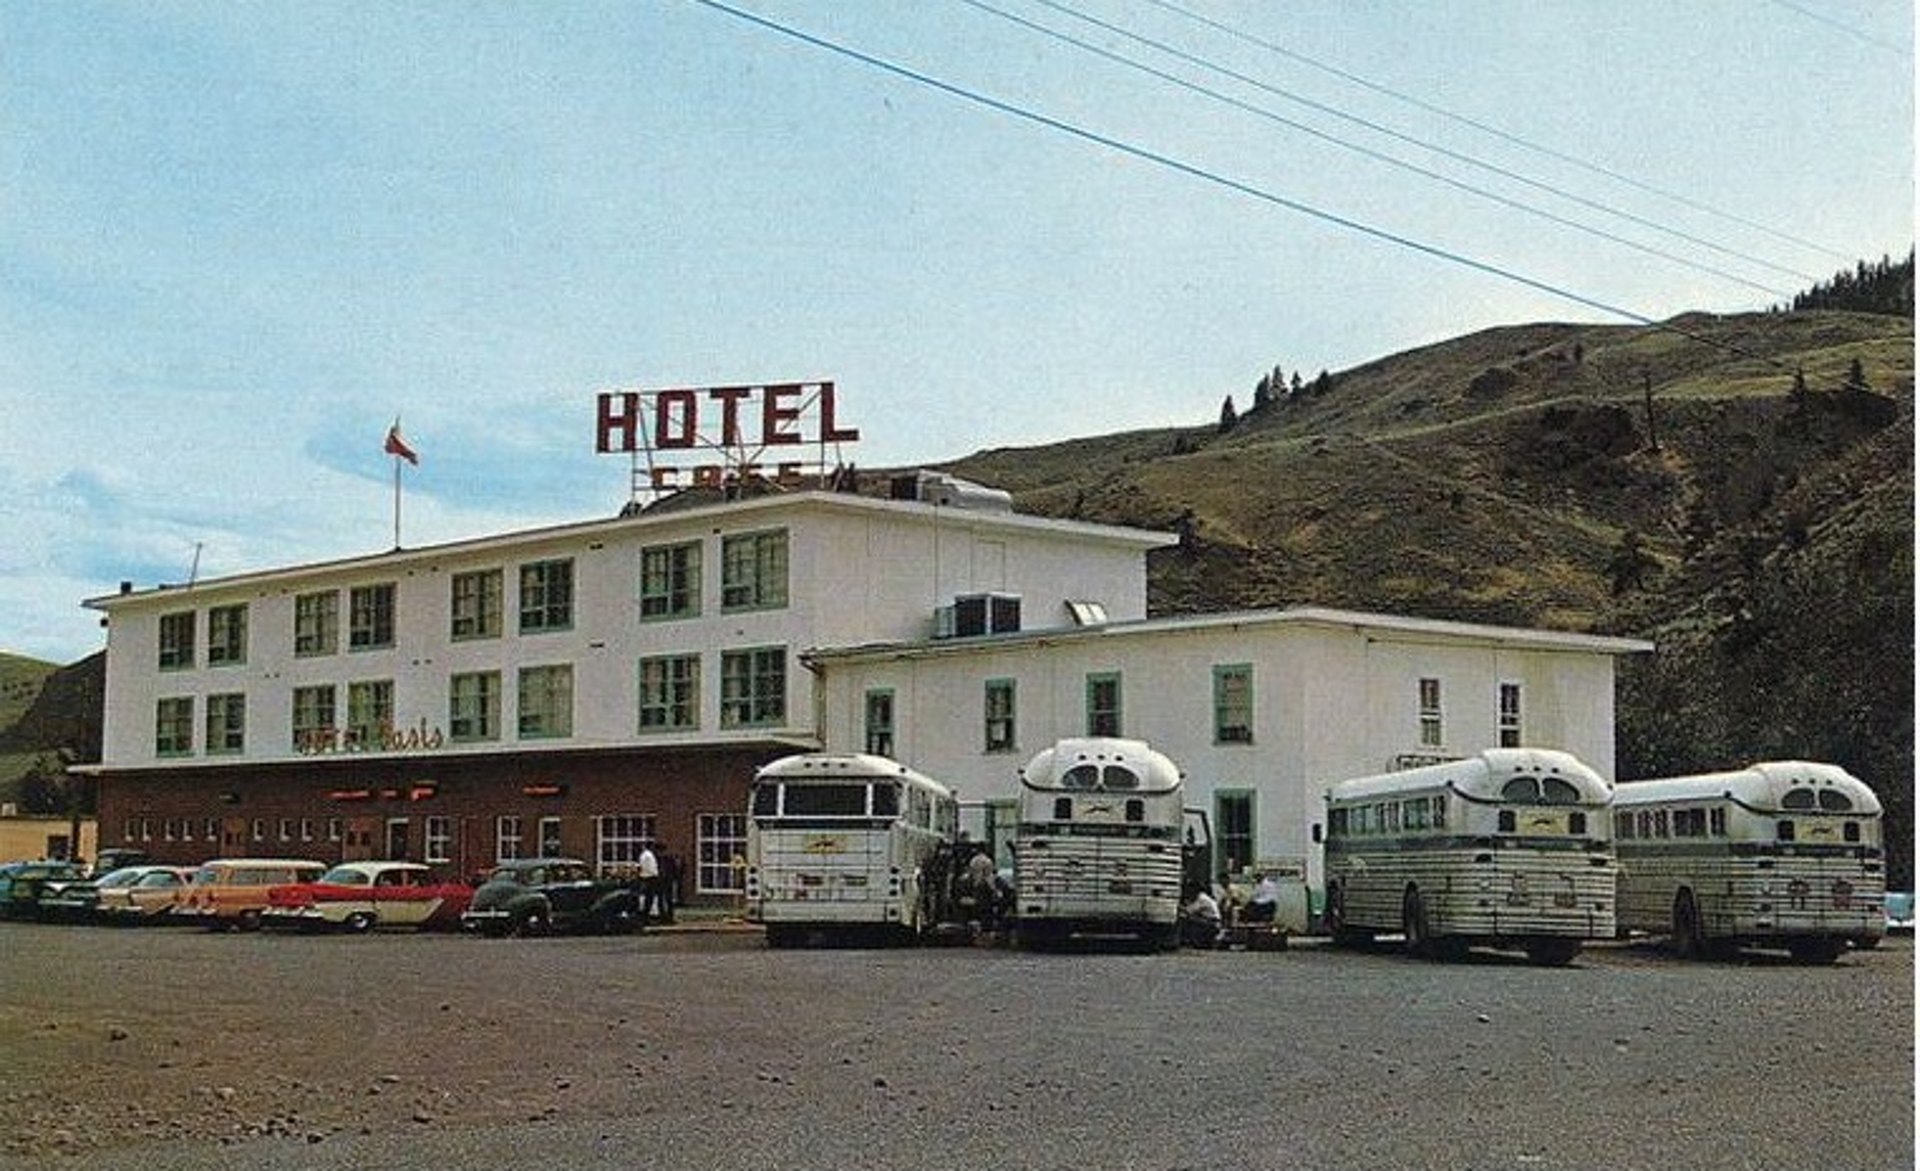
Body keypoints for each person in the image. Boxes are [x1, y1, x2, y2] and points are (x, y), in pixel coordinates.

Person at [636, 842, 661, 924]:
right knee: (649, 898)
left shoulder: (643, 855)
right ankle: (646, 917)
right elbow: (651, 868)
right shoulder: (649, 856)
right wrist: (656, 875)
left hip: (645, 877)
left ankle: (645, 916)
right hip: (650, 878)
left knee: (646, 898)